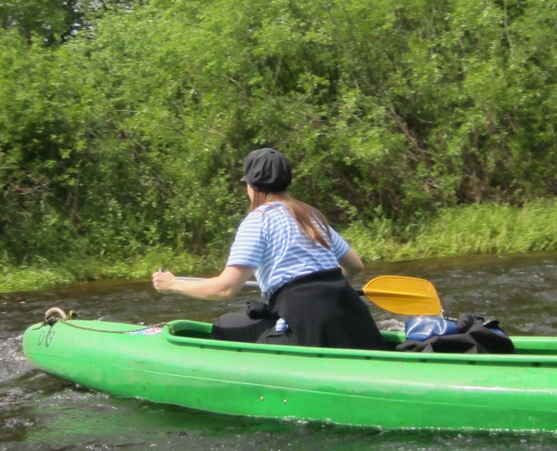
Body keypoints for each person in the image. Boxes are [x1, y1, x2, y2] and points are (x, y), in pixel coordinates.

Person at [152, 148, 387, 350]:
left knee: (225, 325)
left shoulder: (258, 220)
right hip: (352, 316)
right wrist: (327, 291)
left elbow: (225, 289)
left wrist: (173, 284)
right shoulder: (311, 215)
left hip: (308, 325)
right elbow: (355, 266)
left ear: (252, 186)